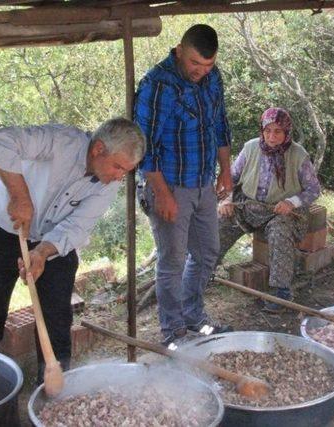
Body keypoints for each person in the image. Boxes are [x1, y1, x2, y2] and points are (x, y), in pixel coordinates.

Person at [0, 118, 146, 382]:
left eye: (127, 171)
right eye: (118, 167)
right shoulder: (60, 141)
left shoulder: (110, 183)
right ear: (98, 149)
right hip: (4, 227)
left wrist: (42, 252)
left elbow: (76, 226)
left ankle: (53, 386)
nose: (120, 176)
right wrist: (19, 196)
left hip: (54, 239)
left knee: (57, 315)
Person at [134, 24, 233, 347]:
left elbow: (220, 124)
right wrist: (161, 193)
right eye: (195, 64)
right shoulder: (157, 85)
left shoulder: (212, 77)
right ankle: (172, 331)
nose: (201, 72)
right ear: (179, 50)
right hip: (169, 184)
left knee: (207, 252)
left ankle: (194, 316)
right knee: (172, 260)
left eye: (208, 65)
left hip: (203, 180)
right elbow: (143, 145)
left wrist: (225, 170)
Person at [217, 107, 321, 313]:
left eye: (278, 131)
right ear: (262, 130)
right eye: (268, 131)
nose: (272, 136)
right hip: (248, 206)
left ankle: (280, 291)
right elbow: (231, 178)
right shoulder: (250, 148)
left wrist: (291, 202)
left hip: (281, 212)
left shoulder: (298, 155)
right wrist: (227, 198)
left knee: (280, 231)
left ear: (286, 133)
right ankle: (202, 271)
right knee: (221, 220)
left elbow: (314, 189)